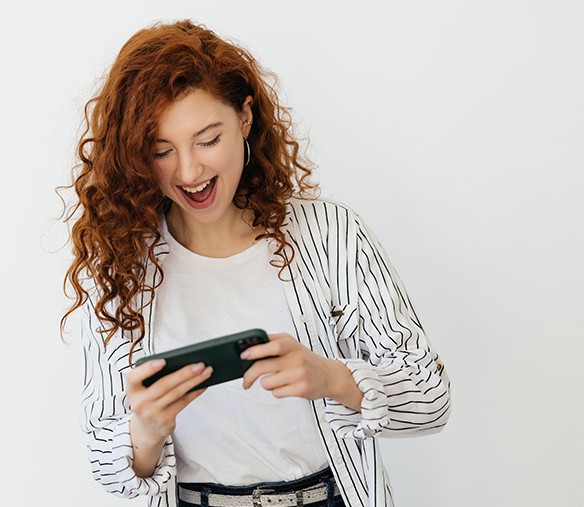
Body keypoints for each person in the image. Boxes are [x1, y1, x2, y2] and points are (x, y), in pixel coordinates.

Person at [60, 19, 451, 507]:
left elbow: (431, 399)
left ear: (245, 119)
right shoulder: (122, 264)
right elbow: (107, 462)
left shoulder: (331, 235)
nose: (189, 171)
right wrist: (146, 431)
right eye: (162, 150)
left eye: (207, 139)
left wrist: (332, 378)